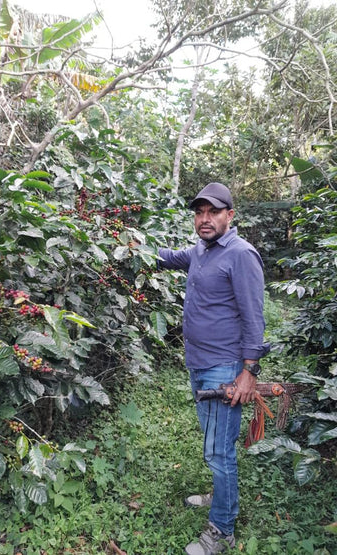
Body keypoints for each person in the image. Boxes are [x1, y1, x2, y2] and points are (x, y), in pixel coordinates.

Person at [158, 182, 269, 554]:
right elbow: (171, 257)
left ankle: (223, 530)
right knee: (214, 441)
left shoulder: (240, 254)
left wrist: (248, 371)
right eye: (199, 212)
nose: (204, 219)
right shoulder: (202, 250)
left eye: (213, 212)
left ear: (230, 215)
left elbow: (255, 318)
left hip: (225, 367)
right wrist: (135, 248)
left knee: (219, 451)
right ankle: (221, 494)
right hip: (199, 363)